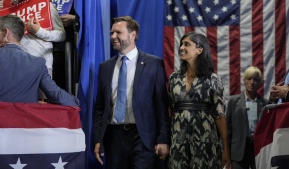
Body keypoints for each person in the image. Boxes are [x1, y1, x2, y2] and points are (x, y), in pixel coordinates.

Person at [93, 16, 170, 169]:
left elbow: (161, 106)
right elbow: (100, 108)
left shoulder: (153, 64)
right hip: (114, 137)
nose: (113, 36)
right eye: (111, 33)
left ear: (132, 35)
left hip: (142, 137)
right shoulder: (105, 67)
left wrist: (163, 138)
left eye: (118, 33)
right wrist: (97, 139)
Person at [167, 32, 231, 169]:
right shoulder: (174, 78)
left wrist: (226, 149)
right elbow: (170, 111)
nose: (181, 47)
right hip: (178, 142)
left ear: (199, 50)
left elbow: (220, 116)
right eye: (181, 44)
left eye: (187, 44)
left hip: (206, 142)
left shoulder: (213, 79)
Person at [0, 15, 78, 107]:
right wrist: (79, 104)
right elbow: (57, 95)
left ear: (6, 33)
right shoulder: (37, 63)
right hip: (24, 119)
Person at [226, 66, 269, 169]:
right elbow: (228, 128)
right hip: (238, 150)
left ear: (260, 83)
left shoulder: (265, 103)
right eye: (249, 79)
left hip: (257, 149)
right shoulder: (233, 101)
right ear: (244, 81)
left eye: (255, 79)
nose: (252, 82)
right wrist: (226, 152)